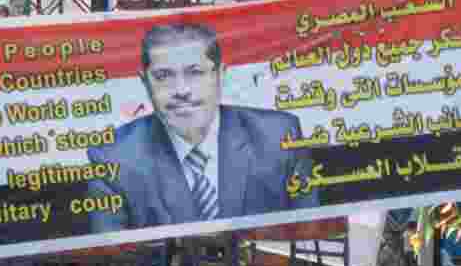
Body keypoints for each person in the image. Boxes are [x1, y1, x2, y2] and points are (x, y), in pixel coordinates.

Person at [87, 22, 318, 231]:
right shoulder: (111, 159)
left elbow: (310, 241)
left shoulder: (280, 136)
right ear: (145, 82)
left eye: (195, 73)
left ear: (220, 75)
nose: (181, 90)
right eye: (163, 76)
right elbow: (113, 261)